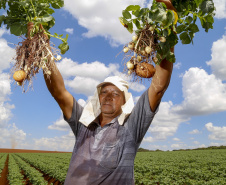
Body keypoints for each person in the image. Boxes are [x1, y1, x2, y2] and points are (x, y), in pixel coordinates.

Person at [44, 2, 174, 184]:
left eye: (115, 93)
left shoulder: (130, 128)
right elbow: (59, 92)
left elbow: (158, 87)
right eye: (104, 92)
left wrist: (169, 22)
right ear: (98, 98)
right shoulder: (84, 124)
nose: (108, 96)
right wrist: (42, 45)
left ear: (124, 101)